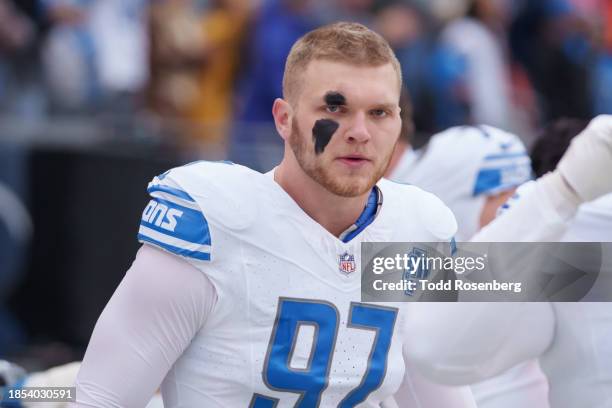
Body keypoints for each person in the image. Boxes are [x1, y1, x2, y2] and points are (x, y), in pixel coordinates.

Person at [74, 22, 477, 407]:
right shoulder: (218, 219)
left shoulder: (417, 227)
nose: (360, 132)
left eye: (379, 112)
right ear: (284, 119)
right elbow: (100, 398)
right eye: (335, 108)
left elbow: (437, 391)